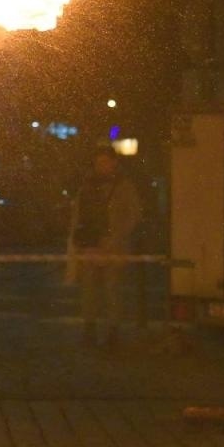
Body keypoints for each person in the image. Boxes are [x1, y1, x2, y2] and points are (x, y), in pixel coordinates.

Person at [69, 147, 142, 348]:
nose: (101, 166)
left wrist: (117, 237)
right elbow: (78, 215)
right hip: (90, 245)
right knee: (89, 289)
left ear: (114, 162)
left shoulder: (124, 186)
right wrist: (78, 242)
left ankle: (113, 331)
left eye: (105, 162)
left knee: (112, 289)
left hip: (113, 246)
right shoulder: (86, 186)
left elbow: (134, 215)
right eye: (98, 162)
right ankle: (90, 329)